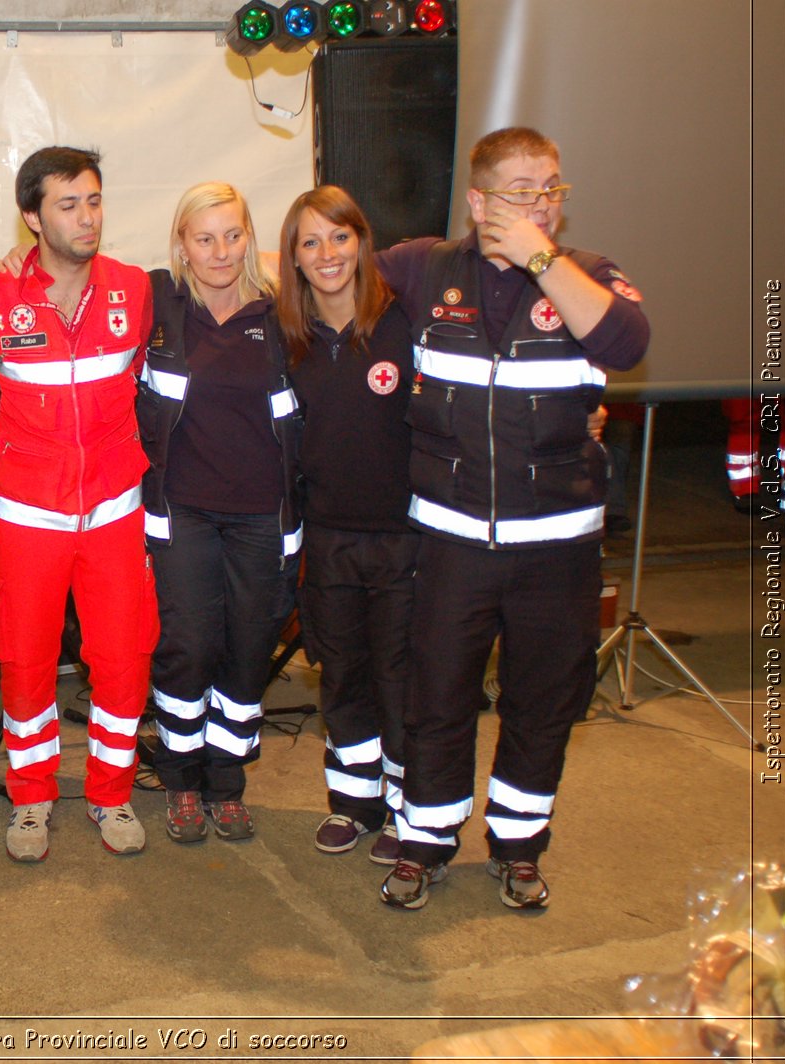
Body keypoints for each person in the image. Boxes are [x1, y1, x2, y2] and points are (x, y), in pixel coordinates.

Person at [374, 127, 650, 910]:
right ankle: (424, 839)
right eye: (522, 190)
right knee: (437, 695)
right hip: (453, 540)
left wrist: (540, 256)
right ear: (477, 201)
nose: (541, 203)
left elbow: (628, 342)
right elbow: (322, 271)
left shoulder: (588, 276)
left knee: (543, 699)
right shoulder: (427, 267)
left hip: (557, 546)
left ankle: (520, 843)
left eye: (552, 187)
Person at [0, 146, 155, 861]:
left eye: (94, 200)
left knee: (123, 657)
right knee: (25, 660)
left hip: (113, 512)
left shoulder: (134, 289)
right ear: (31, 217)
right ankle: (32, 799)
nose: (86, 217)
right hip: (26, 516)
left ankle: (111, 794)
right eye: (68, 204)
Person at [135, 182, 301, 843]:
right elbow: (75, 278)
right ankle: (180, 779)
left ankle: (226, 782)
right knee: (188, 646)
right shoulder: (159, 302)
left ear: (250, 235)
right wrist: (15, 254)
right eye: (204, 238)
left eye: (233, 235)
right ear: (181, 245)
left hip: (264, 516)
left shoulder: (285, 314)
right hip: (185, 516)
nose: (220, 251)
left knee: (247, 649)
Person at [275, 186, 415, 865]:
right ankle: (353, 804)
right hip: (328, 541)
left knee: (401, 679)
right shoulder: (288, 340)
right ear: (294, 259)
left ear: (362, 241)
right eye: (310, 242)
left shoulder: (403, 322)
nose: (327, 254)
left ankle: (405, 811)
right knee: (342, 676)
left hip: (406, 540)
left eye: (339, 237)